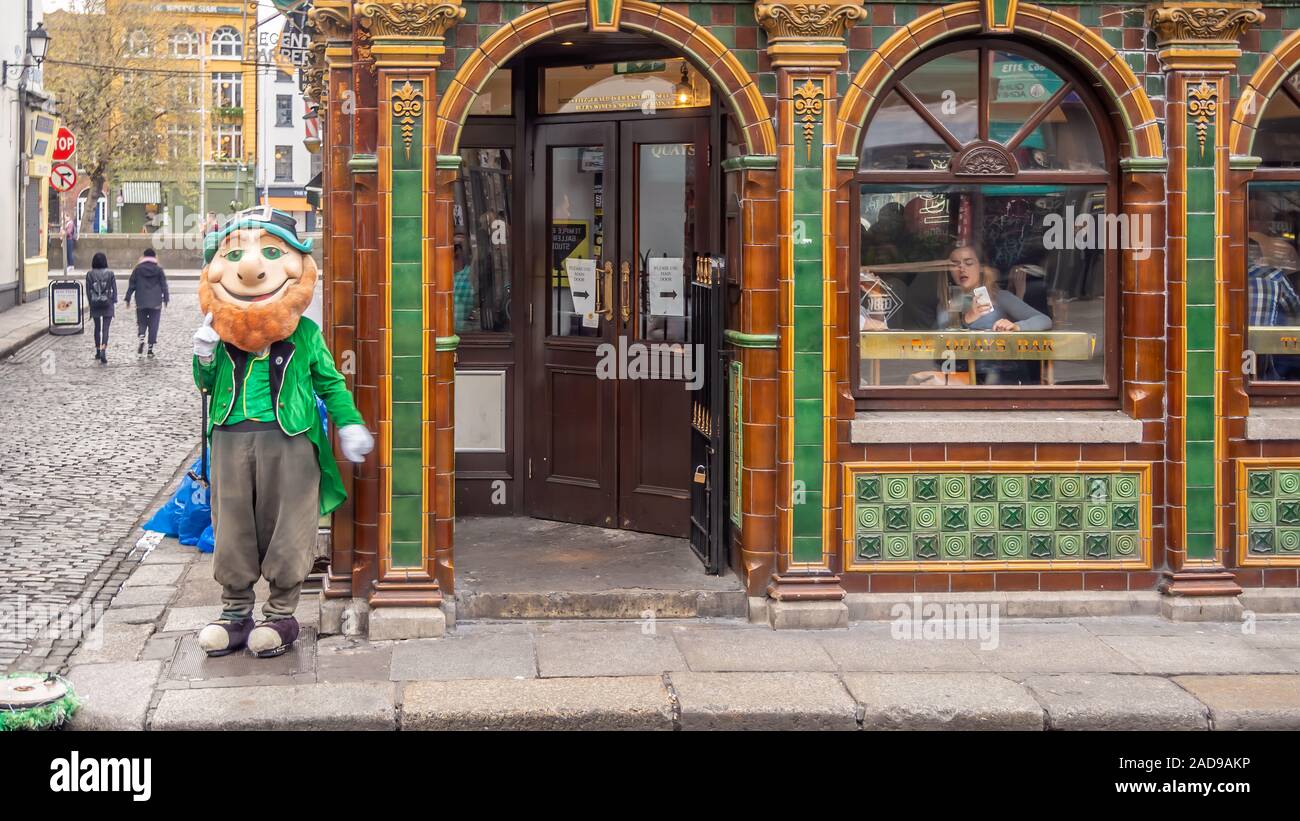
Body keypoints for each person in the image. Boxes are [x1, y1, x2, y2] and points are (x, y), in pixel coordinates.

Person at [192, 206, 373, 658]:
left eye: (272, 252)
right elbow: (205, 386)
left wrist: (348, 421)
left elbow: (330, 382)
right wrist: (205, 357)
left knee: (287, 526)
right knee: (232, 524)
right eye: (235, 255)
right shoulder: (220, 331)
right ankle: (234, 613)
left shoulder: (305, 333)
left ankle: (280, 614)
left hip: (289, 440)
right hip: (231, 436)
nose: (252, 268)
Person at [936, 244, 1052, 385]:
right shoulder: (947, 303)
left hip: (1001, 381)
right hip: (960, 381)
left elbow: (1044, 320)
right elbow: (939, 345)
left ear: (981, 268)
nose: (962, 268)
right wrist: (966, 320)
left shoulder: (999, 297)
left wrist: (1016, 326)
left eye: (969, 263)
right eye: (955, 264)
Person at [1247, 238, 1300, 380]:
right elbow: (1295, 311)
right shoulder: (1274, 276)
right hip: (1264, 360)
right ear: (1259, 259)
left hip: (1228, 355)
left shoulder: (1223, 278)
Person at [124, 247, 170, 358]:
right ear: (155, 257)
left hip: (141, 300)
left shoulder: (138, 269)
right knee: (154, 324)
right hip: (156, 302)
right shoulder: (159, 269)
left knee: (142, 322)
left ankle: (141, 337)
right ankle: (150, 350)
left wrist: (128, 298)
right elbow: (164, 285)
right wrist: (166, 298)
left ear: (143, 257)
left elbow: (132, 284)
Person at [85, 252, 117, 364]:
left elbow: (88, 290)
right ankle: (104, 348)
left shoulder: (89, 274)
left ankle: (98, 350)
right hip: (107, 303)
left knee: (97, 328)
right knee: (106, 328)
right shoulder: (110, 274)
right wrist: (113, 301)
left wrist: (90, 302)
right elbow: (114, 289)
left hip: (95, 303)